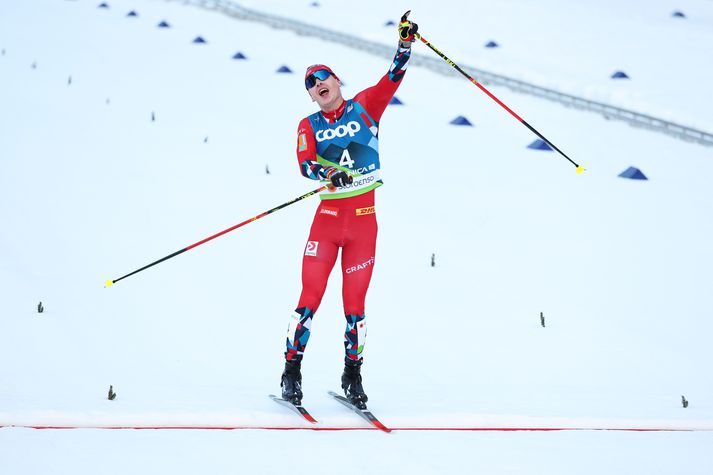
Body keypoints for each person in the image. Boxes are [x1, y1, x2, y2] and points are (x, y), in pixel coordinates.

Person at [280, 12, 418, 409]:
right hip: (326, 223)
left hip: (363, 224)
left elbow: (393, 77)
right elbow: (305, 163)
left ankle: (352, 375)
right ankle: (291, 370)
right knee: (309, 297)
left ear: (338, 81)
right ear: (310, 96)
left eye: (323, 77)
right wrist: (329, 172)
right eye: (310, 84)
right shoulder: (308, 124)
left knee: (355, 308)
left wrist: (405, 45)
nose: (317, 83)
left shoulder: (366, 108)